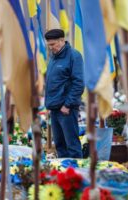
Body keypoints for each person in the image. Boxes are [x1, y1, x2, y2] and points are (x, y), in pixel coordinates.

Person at [44, 29, 84, 158]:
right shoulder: (53, 58)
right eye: (49, 45)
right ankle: (65, 175)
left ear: (62, 40)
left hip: (66, 109)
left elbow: (78, 84)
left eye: (53, 44)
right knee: (60, 146)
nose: (51, 48)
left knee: (72, 145)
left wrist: (67, 105)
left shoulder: (74, 56)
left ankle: (78, 175)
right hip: (55, 108)